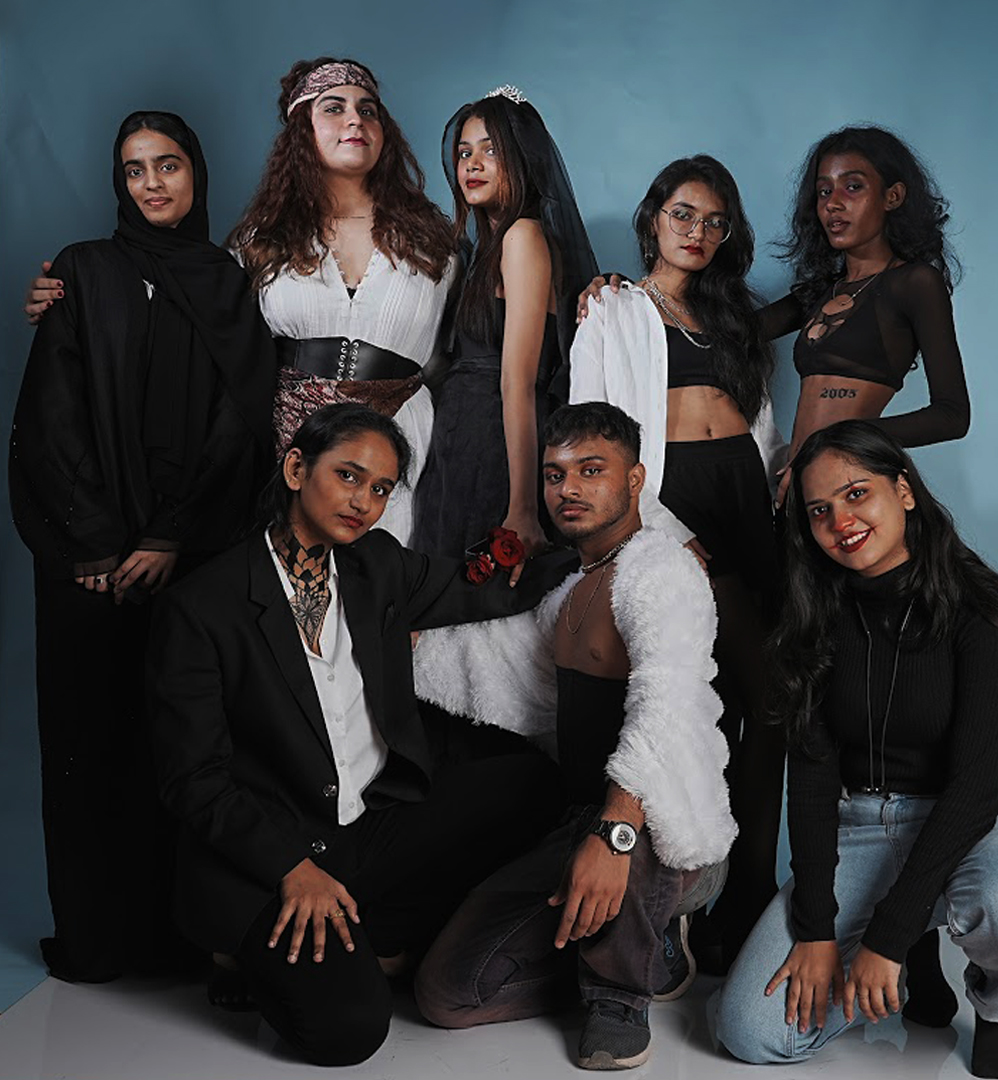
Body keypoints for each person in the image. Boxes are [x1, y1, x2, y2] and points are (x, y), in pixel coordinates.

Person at [145, 402, 576, 1067]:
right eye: (348, 476)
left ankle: (383, 929)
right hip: (273, 854)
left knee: (533, 783)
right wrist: (292, 871)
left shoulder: (377, 564)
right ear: (296, 469)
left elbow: (484, 591)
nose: (364, 503)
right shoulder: (203, 606)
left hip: (365, 827)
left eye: (380, 488)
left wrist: (607, 551)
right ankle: (243, 953)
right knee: (349, 1031)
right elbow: (193, 780)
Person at [713, 420, 998, 1080]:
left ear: (903, 490)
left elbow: (973, 790)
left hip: (984, 813)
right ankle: (910, 959)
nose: (840, 522)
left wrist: (885, 938)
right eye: (819, 510)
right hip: (866, 820)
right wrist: (817, 930)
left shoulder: (986, 611)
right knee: (749, 1030)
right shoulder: (813, 615)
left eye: (857, 494)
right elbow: (813, 778)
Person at [8, 110, 275, 983]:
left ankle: (187, 941)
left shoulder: (228, 281)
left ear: (196, 172)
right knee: (91, 747)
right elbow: (51, 414)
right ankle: (99, 940)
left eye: (168, 165)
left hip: (190, 556)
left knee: (186, 743)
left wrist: (169, 537)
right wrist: (92, 546)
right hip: (85, 563)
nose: (153, 184)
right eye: (134, 170)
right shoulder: (83, 271)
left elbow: (239, 421)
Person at [411, 402, 734, 1070]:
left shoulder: (664, 572)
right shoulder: (573, 586)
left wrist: (614, 836)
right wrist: (398, 648)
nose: (569, 489)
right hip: (580, 821)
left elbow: (667, 705)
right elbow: (502, 668)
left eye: (591, 470)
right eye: (555, 475)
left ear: (635, 479)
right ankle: (644, 951)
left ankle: (619, 996)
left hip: (655, 830)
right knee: (447, 995)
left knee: (637, 840)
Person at [24, 58, 458, 545]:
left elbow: (469, 347)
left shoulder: (436, 242)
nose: (355, 120)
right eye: (334, 108)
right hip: (288, 444)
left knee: (392, 574)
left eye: (368, 110)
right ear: (302, 130)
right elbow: (192, 321)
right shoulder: (260, 241)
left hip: (402, 440)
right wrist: (70, 300)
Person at [570, 156, 785, 970]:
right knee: (694, 704)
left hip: (745, 504)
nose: (697, 232)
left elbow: (762, 425)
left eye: (714, 221)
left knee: (767, 705)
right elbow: (591, 430)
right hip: (672, 504)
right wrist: (656, 526)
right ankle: (674, 900)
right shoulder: (612, 308)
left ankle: (743, 898)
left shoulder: (735, 316)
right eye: (683, 214)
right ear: (654, 217)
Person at [412, 85, 597, 558]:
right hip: (461, 434)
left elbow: (519, 383)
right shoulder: (484, 248)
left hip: (494, 440)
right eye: (464, 153)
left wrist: (522, 508)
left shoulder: (523, 237)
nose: (472, 165)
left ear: (520, 160)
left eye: (490, 151)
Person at [760, 125, 970, 504]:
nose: (833, 203)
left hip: (853, 481)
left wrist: (835, 440)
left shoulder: (914, 282)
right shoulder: (819, 293)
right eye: (824, 191)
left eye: (852, 187)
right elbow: (731, 332)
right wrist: (646, 291)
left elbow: (952, 415)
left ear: (893, 196)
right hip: (800, 485)